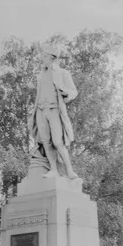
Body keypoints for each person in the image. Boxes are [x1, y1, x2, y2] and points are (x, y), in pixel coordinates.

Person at [29, 44, 78, 180]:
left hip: (54, 110)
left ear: (51, 57)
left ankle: (69, 170)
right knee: (45, 141)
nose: (42, 59)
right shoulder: (41, 76)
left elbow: (74, 91)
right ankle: (53, 169)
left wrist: (66, 93)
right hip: (41, 111)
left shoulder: (63, 73)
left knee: (58, 142)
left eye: (44, 56)